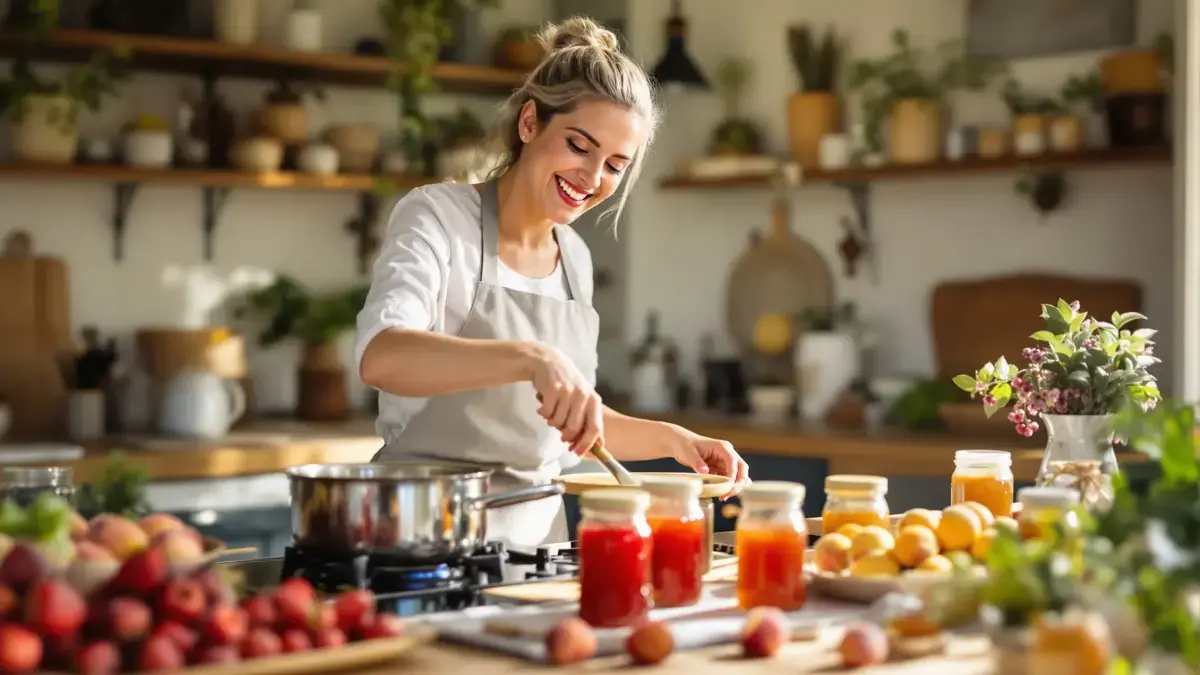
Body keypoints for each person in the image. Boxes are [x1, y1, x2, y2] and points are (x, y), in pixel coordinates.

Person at [355, 16, 750, 552]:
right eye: (579, 145)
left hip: (534, 556)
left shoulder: (575, 260)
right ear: (529, 124)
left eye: (614, 165)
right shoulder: (438, 217)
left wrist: (678, 441)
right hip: (421, 541)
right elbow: (383, 357)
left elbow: (578, 425)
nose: (591, 179)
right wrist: (531, 357)